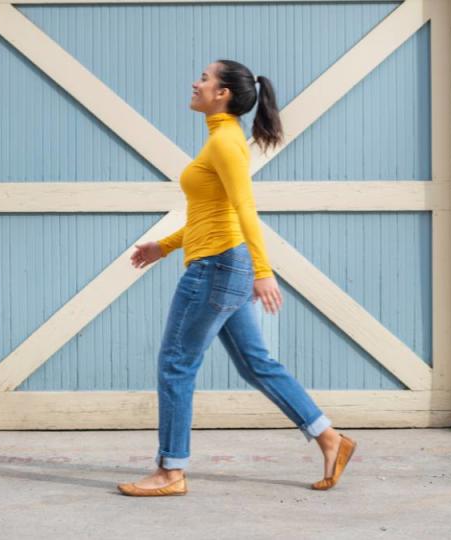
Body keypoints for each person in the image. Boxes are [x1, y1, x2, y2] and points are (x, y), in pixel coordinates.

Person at [117, 60, 356, 497]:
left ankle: (171, 471)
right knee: (255, 364)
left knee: (175, 364)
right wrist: (164, 246)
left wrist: (263, 272)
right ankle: (329, 438)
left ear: (223, 93)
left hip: (217, 268)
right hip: (222, 263)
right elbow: (215, 215)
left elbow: (245, 209)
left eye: (205, 78)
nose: (196, 82)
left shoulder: (226, 142)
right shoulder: (219, 140)